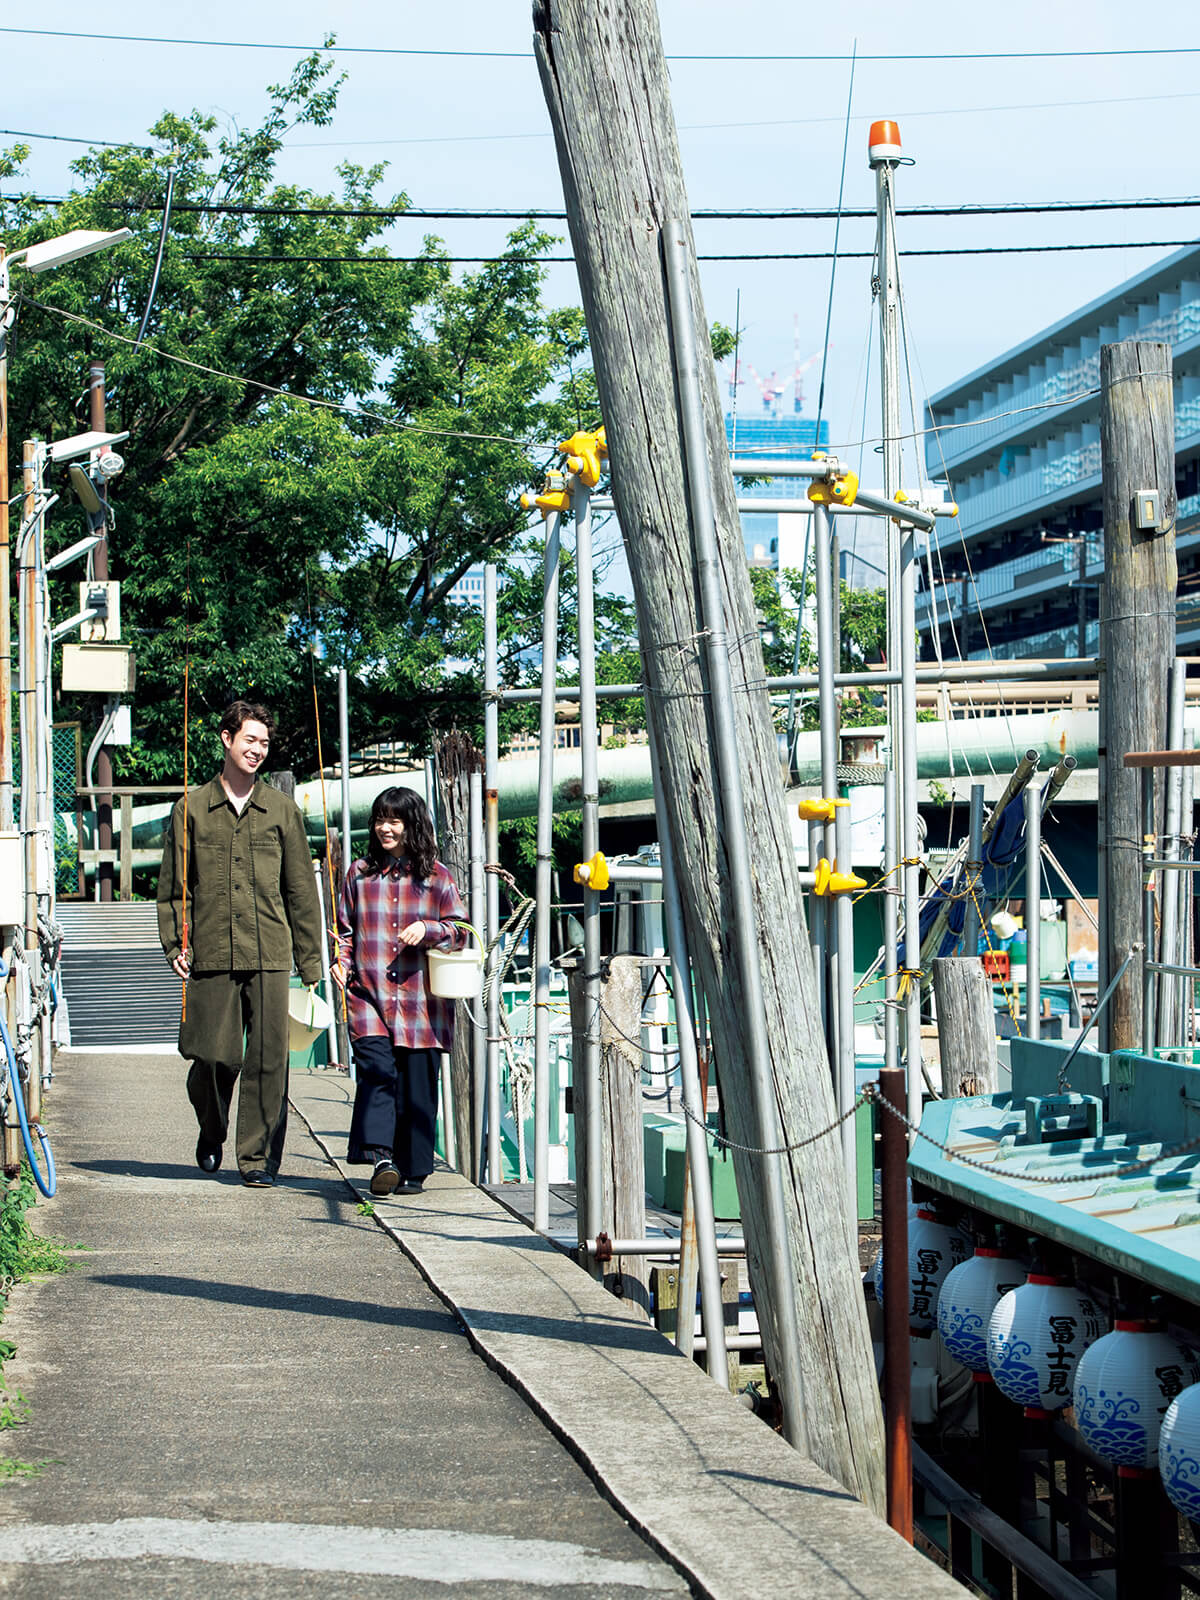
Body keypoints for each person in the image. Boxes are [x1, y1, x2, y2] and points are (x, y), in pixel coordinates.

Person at [157, 699, 324, 1188]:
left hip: (270, 951)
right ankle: (212, 1128)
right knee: (212, 1056)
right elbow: (173, 888)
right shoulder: (190, 809)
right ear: (227, 739)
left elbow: (300, 892)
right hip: (210, 950)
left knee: (269, 1061)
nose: (258, 750)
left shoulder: (282, 811)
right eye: (250, 739)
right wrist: (174, 944)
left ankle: (257, 1160)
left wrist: (311, 963)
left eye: (265, 743)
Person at [335, 786, 467, 1196]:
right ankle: (381, 1157)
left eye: (395, 820)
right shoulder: (358, 873)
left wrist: (429, 930)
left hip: (420, 1003)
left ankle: (414, 1169)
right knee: (377, 1072)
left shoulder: (438, 877)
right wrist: (341, 961)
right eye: (380, 820)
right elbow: (345, 929)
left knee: (417, 1089)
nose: (385, 828)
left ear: (413, 825)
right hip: (368, 995)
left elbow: (462, 932)